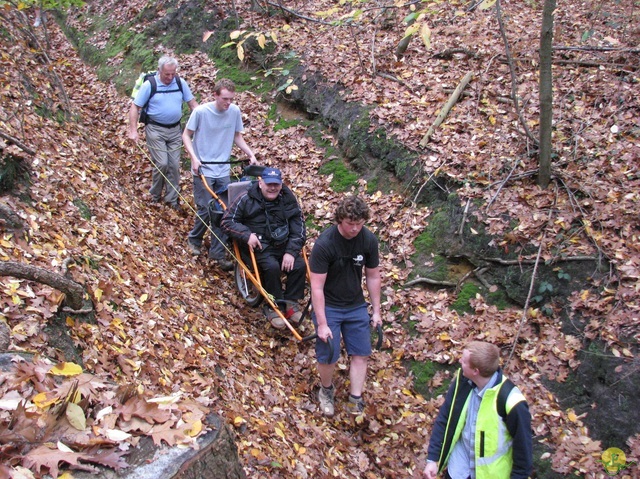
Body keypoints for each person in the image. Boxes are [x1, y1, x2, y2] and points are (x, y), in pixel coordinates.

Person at [310, 195, 382, 417]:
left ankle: (355, 398)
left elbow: (373, 276)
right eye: (351, 224)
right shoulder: (325, 244)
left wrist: (377, 311)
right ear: (340, 220)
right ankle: (326, 389)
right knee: (329, 353)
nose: (355, 229)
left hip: (355, 305)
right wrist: (322, 323)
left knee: (361, 353)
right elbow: (316, 287)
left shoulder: (368, 240)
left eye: (359, 224)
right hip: (329, 304)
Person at [423, 341, 533, 479]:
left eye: (464, 361)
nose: (460, 361)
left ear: (476, 371)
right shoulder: (463, 382)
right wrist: (433, 459)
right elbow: (445, 418)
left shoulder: (511, 402)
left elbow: (524, 454)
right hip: (458, 470)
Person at [183, 78, 256, 271]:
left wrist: (250, 154)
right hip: (203, 168)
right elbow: (186, 135)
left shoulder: (234, 112)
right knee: (206, 210)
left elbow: (237, 136)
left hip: (222, 168)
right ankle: (194, 239)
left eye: (231, 99)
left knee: (224, 211)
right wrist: (193, 158)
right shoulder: (200, 112)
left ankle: (217, 253)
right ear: (215, 95)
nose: (228, 103)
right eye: (225, 98)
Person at [221, 167, 307, 328]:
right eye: (269, 184)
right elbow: (227, 221)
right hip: (259, 246)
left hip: (283, 243)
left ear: (281, 184)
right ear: (260, 183)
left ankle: (290, 303)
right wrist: (247, 235)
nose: (272, 188)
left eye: (276, 184)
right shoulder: (245, 199)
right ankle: (272, 306)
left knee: (299, 265)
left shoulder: (287, 199)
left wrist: (291, 251)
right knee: (272, 267)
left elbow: (299, 226)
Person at [128, 56, 198, 210]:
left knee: (173, 166)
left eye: (173, 73)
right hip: (155, 129)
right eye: (167, 74)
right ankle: (155, 195)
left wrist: (203, 123)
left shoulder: (180, 83)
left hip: (175, 130)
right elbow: (135, 107)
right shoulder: (149, 85)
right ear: (159, 70)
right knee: (162, 163)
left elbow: (193, 104)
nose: (170, 77)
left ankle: (172, 200)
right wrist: (133, 130)